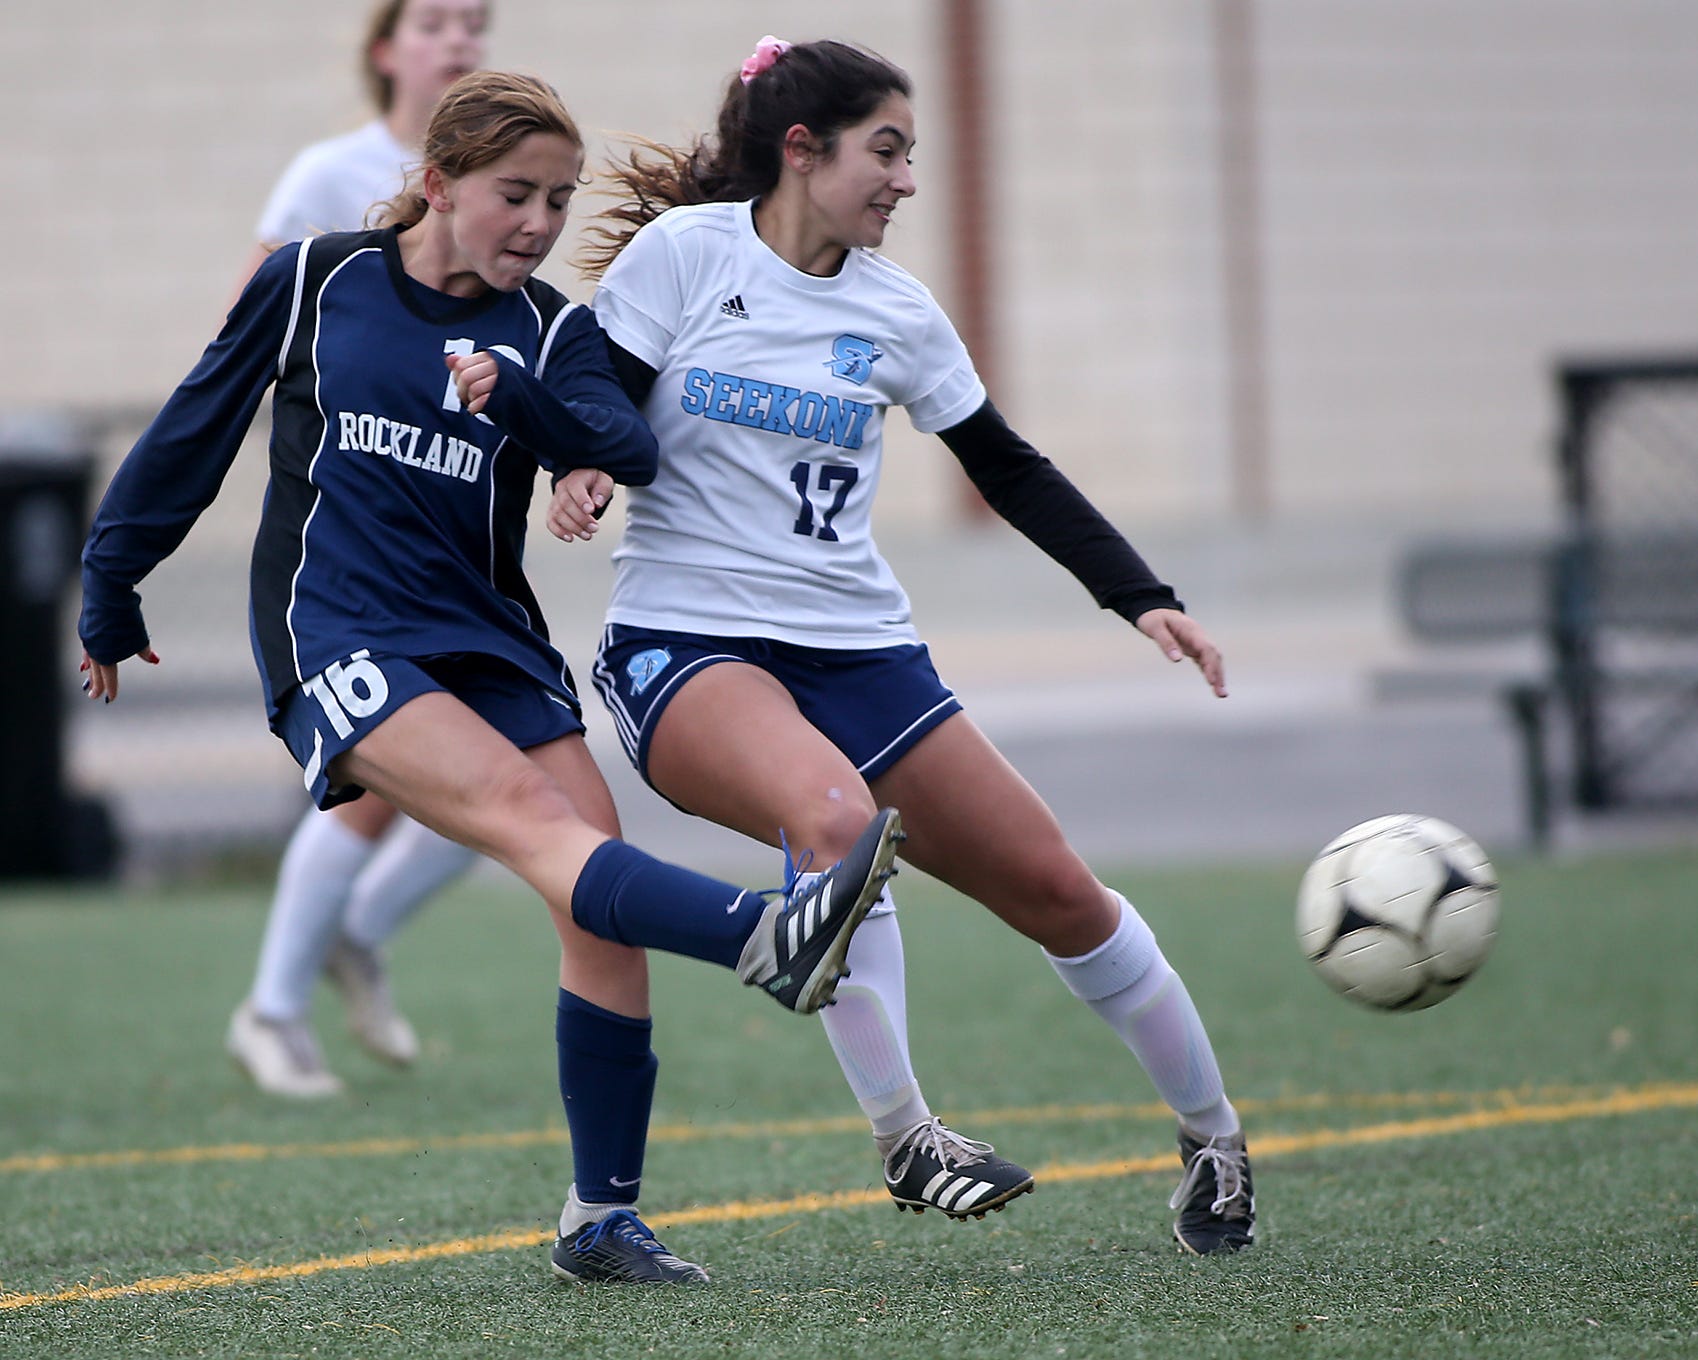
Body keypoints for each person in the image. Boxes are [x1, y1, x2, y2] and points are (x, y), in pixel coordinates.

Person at [79, 70, 905, 1286]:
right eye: (514, 194)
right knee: (532, 827)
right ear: (435, 183)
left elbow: (625, 441)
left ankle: (600, 1217)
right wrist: (111, 578)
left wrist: (533, 415)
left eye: (559, 202)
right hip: (342, 635)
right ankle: (763, 939)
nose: (537, 223)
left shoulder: (547, 328)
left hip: (489, 636)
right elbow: (190, 431)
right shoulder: (314, 283)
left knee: (594, 888)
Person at [551, 35, 1257, 1255]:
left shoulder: (895, 311)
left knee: (1057, 889)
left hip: (860, 653)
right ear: (800, 150)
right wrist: (585, 461)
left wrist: (1139, 594)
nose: (905, 181)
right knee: (831, 819)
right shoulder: (688, 256)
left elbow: (1005, 467)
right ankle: (907, 1137)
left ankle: (1215, 1140)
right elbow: (591, 381)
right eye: (885, 151)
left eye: (913, 155)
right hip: (687, 644)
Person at [227, 0, 497, 1098]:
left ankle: (350, 936)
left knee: (502, 774)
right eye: (435, 21)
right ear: (386, 48)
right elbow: (245, 330)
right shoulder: (330, 173)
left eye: (475, 22)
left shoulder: (496, 179)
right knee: (378, 774)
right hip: (351, 533)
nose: (459, 39)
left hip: (451, 529)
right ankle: (274, 1009)